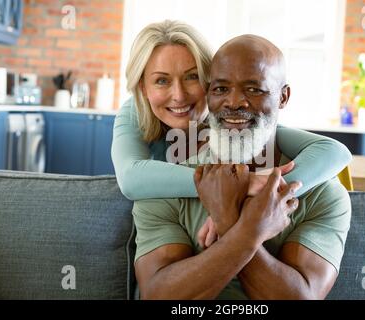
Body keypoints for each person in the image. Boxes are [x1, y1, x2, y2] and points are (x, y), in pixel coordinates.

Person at [132, 34, 351, 299]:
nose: (234, 102)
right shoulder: (165, 184)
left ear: (283, 97)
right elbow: (159, 295)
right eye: (221, 89)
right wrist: (248, 229)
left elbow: (302, 296)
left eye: (254, 89)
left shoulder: (322, 193)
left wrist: (228, 221)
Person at [111, 20, 351, 205]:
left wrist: (267, 191)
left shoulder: (227, 119)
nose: (179, 95)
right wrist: (238, 184)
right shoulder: (136, 112)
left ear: (210, 80)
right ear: (142, 87)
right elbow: (130, 178)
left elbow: (334, 151)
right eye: (162, 81)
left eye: (192, 77)